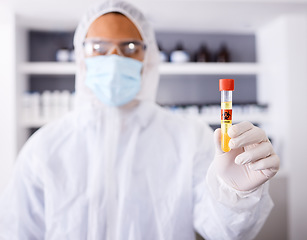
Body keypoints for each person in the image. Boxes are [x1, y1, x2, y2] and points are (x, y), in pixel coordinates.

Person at [0, 1, 280, 239]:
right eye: (98, 47)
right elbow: (17, 231)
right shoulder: (45, 146)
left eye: (130, 46)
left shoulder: (188, 137)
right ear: (81, 56)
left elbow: (221, 231)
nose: (113, 58)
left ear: (148, 57)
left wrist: (235, 196)